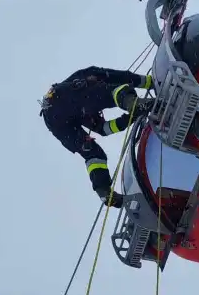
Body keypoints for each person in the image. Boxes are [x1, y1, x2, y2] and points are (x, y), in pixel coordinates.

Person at [39, 67, 153, 207]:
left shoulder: (83, 109)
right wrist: (149, 82)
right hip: (62, 97)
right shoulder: (92, 76)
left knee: (92, 153)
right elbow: (122, 79)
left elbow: (104, 129)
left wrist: (129, 118)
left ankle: (104, 191)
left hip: (54, 122)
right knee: (113, 93)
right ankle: (133, 103)